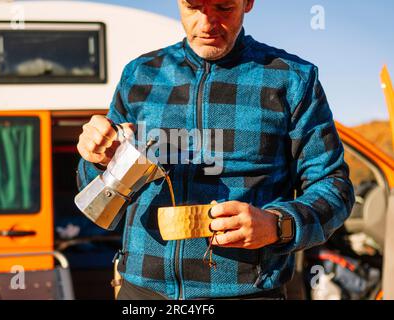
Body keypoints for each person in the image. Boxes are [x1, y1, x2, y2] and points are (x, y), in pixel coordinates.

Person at [76, 0, 355, 300]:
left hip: (247, 292)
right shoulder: (140, 75)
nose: (207, 23)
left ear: (247, 3)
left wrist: (278, 225)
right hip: (141, 291)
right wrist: (99, 159)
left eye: (223, 7)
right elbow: (92, 189)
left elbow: (334, 187)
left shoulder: (292, 79)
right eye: (194, 7)